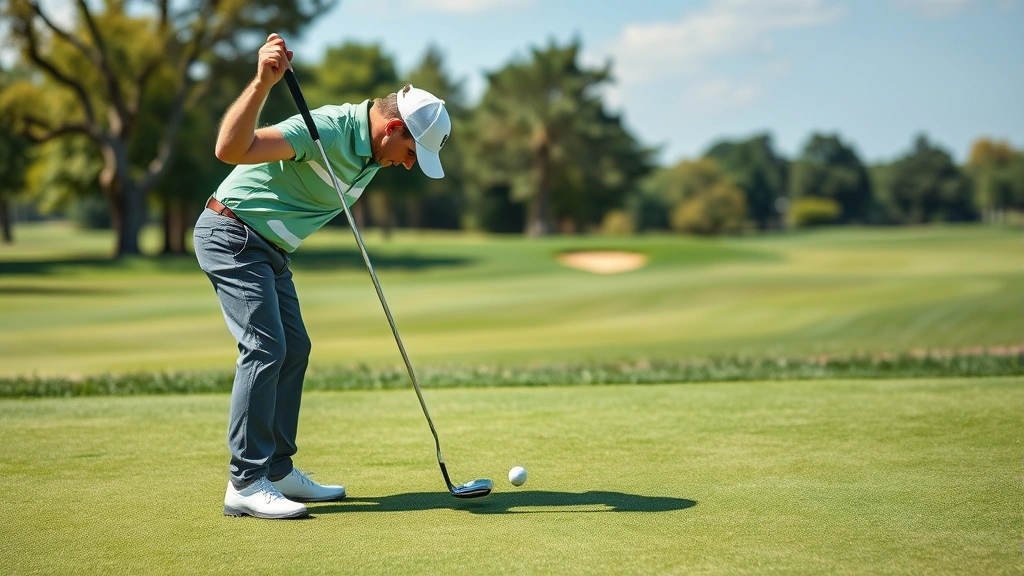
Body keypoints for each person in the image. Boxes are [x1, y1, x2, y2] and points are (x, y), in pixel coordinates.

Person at [193, 33, 452, 520]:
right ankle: (245, 482)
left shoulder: (375, 153)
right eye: (412, 153)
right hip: (231, 233)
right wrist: (261, 84)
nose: (408, 165)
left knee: (295, 348)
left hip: (270, 249)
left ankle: (276, 468)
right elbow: (230, 149)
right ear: (393, 127)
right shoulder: (327, 129)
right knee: (265, 347)